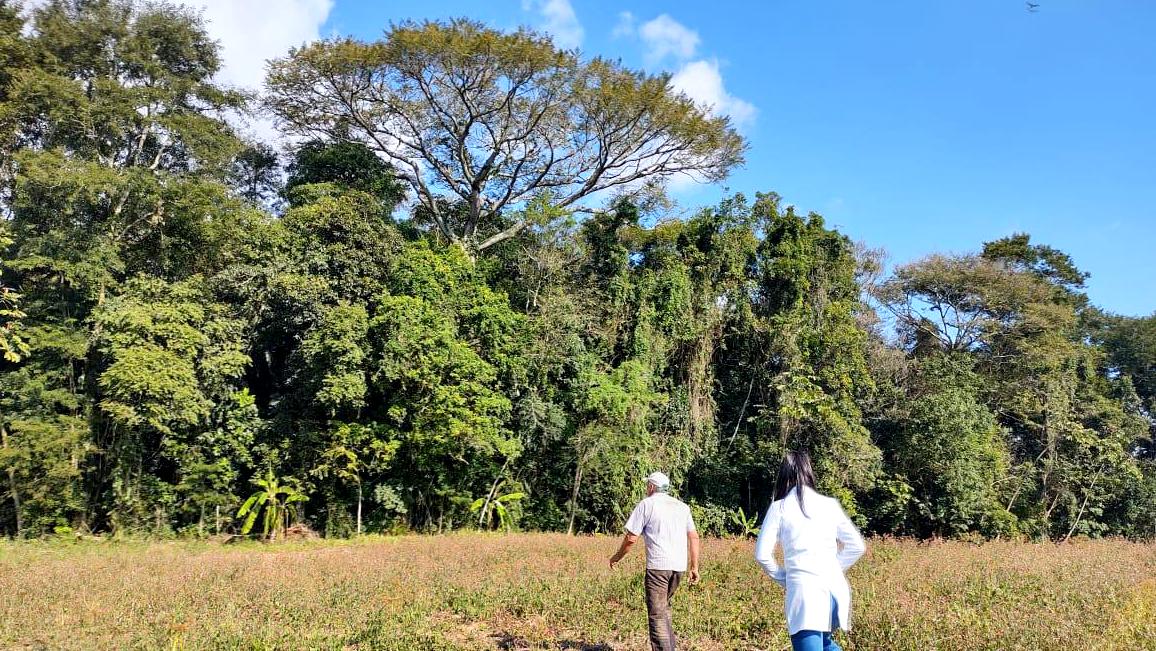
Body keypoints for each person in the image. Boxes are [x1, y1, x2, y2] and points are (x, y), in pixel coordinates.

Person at [754, 451, 866, 651]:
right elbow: (857, 546)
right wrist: (831, 569)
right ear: (808, 473)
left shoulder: (779, 508)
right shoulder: (829, 505)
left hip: (806, 594)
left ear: (783, 476)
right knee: (826, 644)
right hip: (834, 592)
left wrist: (785, 578)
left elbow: (762, 555)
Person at [609, 471, 701, 651]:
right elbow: (694, 537)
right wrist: (694, 567)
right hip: (678, 568)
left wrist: (616, 557)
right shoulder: (682, 507)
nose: (646, 489)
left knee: (657, 615)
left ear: (651, 487)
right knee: (665, 610)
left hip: (658, 568)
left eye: (647, 486)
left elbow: (630, 539)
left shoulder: (647, 504)